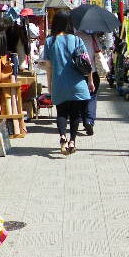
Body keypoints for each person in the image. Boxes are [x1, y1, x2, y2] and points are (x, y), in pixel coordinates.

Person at [43, 10, 93, 154]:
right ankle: (72, 141)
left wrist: (50, 85)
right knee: (75, 114)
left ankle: (62, 137)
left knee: (61, 113)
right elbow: (86, 62)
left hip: (59, 83)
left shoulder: (50, 41)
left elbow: (48, 66)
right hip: (77, 83)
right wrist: (90, 81)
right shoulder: (77, 40)